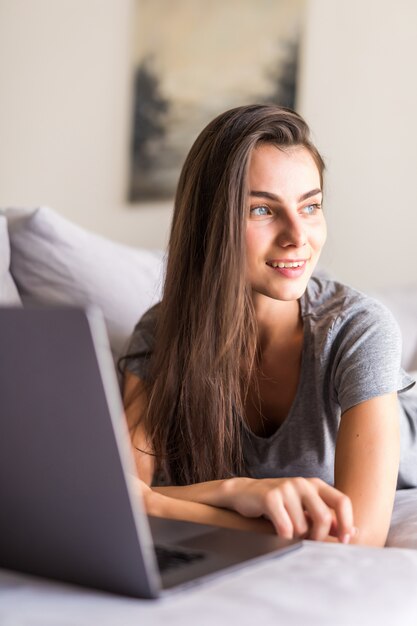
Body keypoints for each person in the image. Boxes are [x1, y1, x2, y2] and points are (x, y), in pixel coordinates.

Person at [120, 104, 417, 547]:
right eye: (262, 210)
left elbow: (358, 539)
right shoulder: (163, 331)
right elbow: (120, 490)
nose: (298, 235)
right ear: (210, 224)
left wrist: (160, 504)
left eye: (311, 206)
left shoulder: (359, 331)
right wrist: (237, 490)